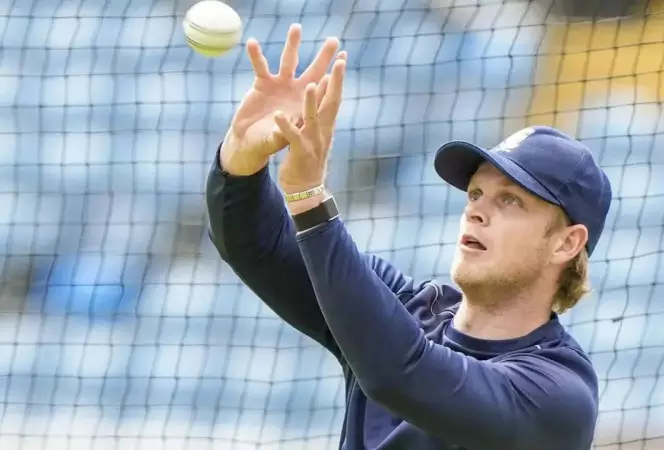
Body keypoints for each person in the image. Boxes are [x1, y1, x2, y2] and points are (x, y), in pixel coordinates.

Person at [205, 23, 612, 450]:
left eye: (510, 200)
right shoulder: (406, 307)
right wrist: (241, 159)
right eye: (476, 193)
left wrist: (310, 197)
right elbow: (258, 246)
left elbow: (401, 374)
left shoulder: (558, 392)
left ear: (566, 243)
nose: (475, 210)